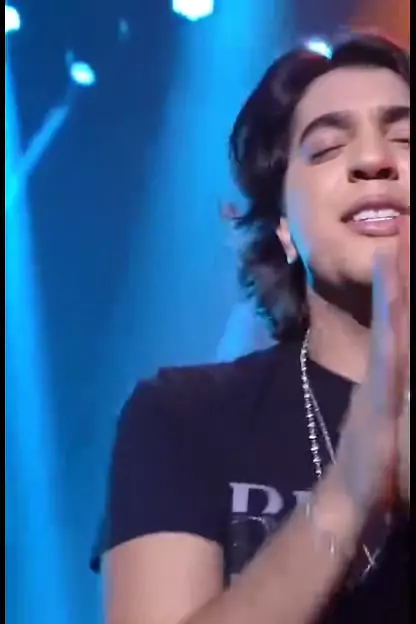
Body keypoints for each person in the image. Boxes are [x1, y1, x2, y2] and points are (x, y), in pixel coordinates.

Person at [92, 31, 410, 624]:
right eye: (327, 148)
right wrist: (352, 483)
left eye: (406, 140)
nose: (374, 161)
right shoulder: (187, 415)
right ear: (284, 229)